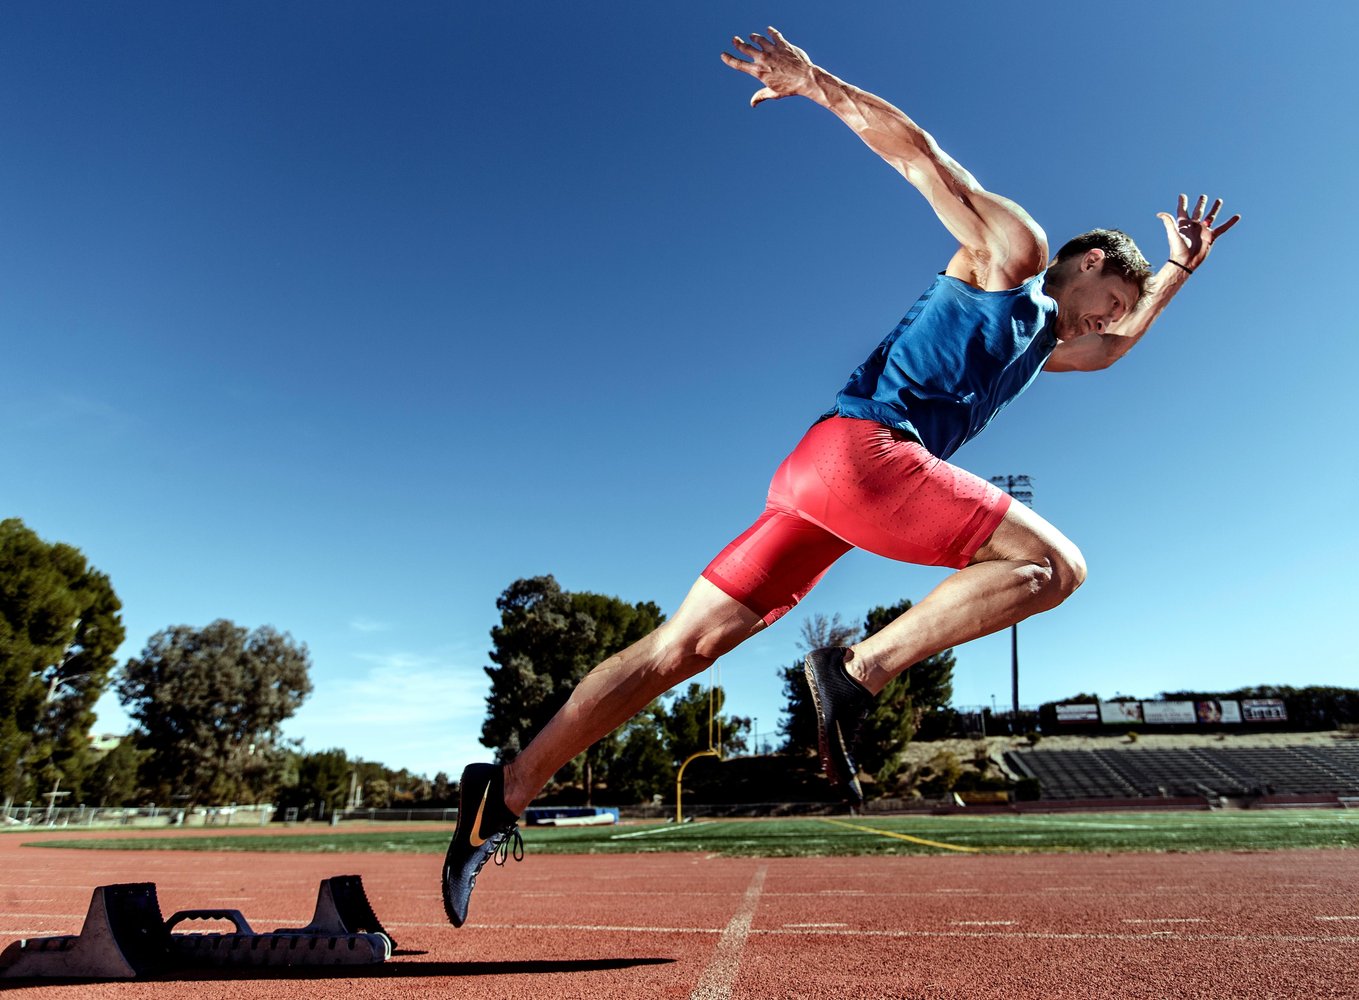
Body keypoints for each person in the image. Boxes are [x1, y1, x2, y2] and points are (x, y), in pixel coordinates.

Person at [441, 26, 1239, 926]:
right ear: (1089, 266)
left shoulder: (1038, 346)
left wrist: (1177, 271)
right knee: (1054, 569)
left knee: (679, 651)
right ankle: (856, 670)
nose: (1109, 322)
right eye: (1112, 302)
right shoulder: (1013, 255)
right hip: (868, 458)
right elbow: (922, 160)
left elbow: (1111, 355)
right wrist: (816, 84)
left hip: (816, 483)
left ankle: (502, 792)